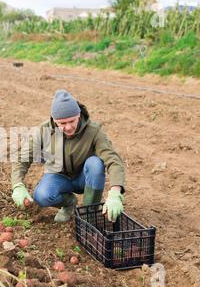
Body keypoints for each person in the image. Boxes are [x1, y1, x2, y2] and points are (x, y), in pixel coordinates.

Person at [11, 90, 125, 223]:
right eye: (62, 123)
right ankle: (69, 203)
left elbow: (113, 159)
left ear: (79, 115)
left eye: (72, 121)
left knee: (95, 164)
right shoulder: (44, 130)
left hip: (85, 177)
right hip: (58, 177)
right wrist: (17, 185)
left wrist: (116, 192)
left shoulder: (94, 131)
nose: (69, 127)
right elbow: (23, 157)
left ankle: (89, 214)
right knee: (42, 196)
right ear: (54, 120)